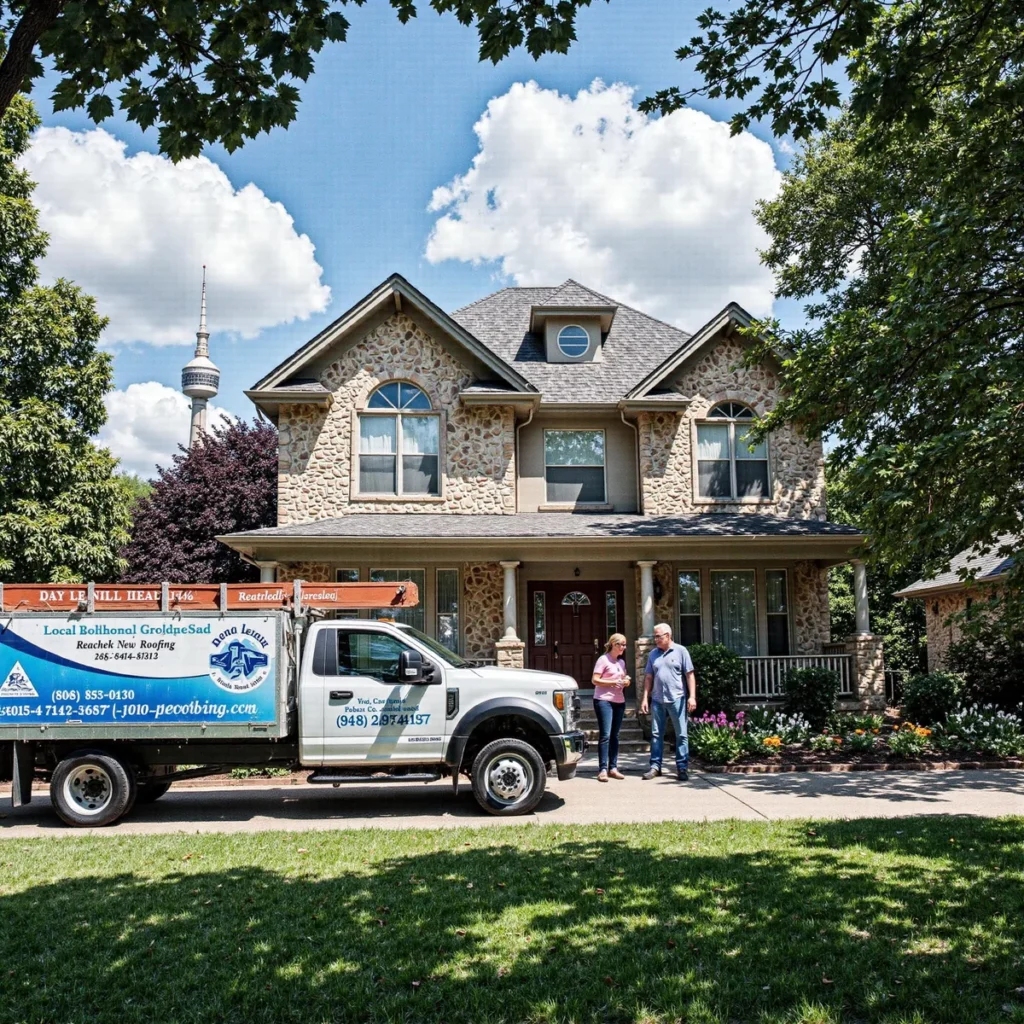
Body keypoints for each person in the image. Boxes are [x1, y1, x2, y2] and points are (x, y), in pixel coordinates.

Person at [639, 622, 697, 782]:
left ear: (668, 636)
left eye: (658, 636)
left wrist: (692, 696)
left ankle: (682, 768)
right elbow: (649, 677)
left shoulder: (681, 651)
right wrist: (645, 698)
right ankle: (655, 767)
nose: (656, 639)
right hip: (658, 700)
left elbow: (690, 675)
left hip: (677, 699)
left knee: (681, 735)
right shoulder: (653, 654)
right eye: (655, 636)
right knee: (656, 734)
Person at [591, 633, 630, 782]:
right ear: (614, 644)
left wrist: (626, 681)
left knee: (615, 735)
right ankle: (602, 769)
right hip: (603, 701)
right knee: (605, 735)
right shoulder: (603, 659)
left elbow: (623, 678)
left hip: (619, 701)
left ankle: (613, 768)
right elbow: (595, 680)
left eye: (625, 645)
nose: (624, 647)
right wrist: (612, 682)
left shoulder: (621, 662)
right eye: (622, 644)